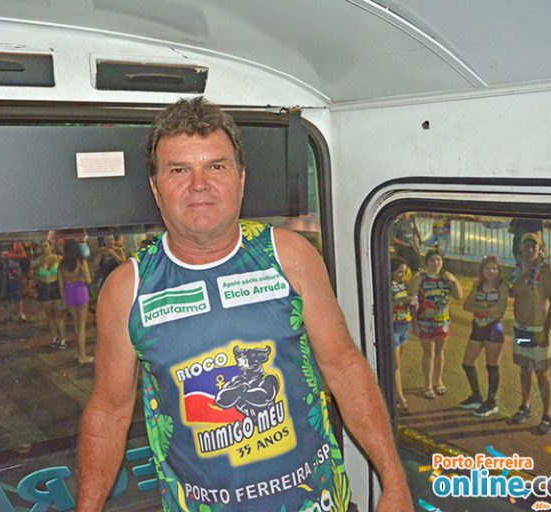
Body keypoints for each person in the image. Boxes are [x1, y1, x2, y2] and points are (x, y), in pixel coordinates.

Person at [76, 97, 411, 511]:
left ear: (241, 178)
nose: (199, 184)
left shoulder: (289, 256)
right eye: (179, 170)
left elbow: (344, 367)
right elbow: (109, 412)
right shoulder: (128, 288)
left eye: (216, 166)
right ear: (155, 188)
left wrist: (394, 483)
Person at [510, 233, 551, 435]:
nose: (530, 250)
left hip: (539, 330)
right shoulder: (518, 270)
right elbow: (513, 293)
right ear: (521, 249)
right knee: (525, 369)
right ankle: (525, 405)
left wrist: (546, 331)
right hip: (520, 329)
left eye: (534, 247)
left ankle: (548, 414)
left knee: (542, 372)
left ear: (540, 249)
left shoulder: (547, 270)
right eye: (526, 247)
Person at [459, 256, 509, 417]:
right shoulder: (477, 284)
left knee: (492, 365)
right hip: (477, 327)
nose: (491, 271)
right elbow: (466, 305)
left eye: (494, 268)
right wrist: (487, 309)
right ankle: (476, 396)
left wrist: (479, 309)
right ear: (482, 270)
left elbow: (498, 311)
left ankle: (491, 402)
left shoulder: (502, 286)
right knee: (467, 363)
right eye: (488, 268)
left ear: (499, 271)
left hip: (494, 329)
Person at [409, 249, 463, 399]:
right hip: (425, 322)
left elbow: (458, 296)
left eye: (438, 260)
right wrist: (414, 324)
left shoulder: (446, 278)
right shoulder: (420, 278)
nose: (436, 263)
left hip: (443, 321)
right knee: (429, 352)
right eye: (432, 260)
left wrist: (453, 281)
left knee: (440, 351)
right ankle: (427, 384)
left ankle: (438, 381)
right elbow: (412, 302)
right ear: (426, 262)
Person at [59, 239, 93, 364]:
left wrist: (63, 299)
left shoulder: (62, 264)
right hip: (80, 291)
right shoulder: (81, 262)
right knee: (82, 325)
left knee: (75, 324)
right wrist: (80, 278)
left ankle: (79, 352)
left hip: (69, 291)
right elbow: (88, 280)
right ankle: (82, 355)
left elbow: (60, 284)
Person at [390, 257, 412, 415]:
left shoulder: (404, 285)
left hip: (405, 325)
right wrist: (399, 301)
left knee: (397, 364)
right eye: (399, 272)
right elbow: (385, 305)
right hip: (394, 327)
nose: (402, 275)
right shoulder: (387, 286)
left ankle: (395, 393)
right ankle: (401, 399)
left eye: (404, 272)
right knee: (395, 365)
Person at [35, 240, 66, 350]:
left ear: (50, 247)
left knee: (59, 314)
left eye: (46, 246)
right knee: (50, 316)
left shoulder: (58, 259)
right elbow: (35, 277)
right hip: (44, 288)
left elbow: (63, 275)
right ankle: (54, 337)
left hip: (56, 287)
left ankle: (63, 338)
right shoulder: (38, 261)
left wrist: (63, 293)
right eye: (42, 247)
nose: (44, 249)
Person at [0, 242, 28, 322]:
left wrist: (12, 256)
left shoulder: (15, 242)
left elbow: (23, 255)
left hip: (14, 271)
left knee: (17, 292)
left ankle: (19, 313)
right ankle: (7, 314)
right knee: (4, 294)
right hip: (2, 272)